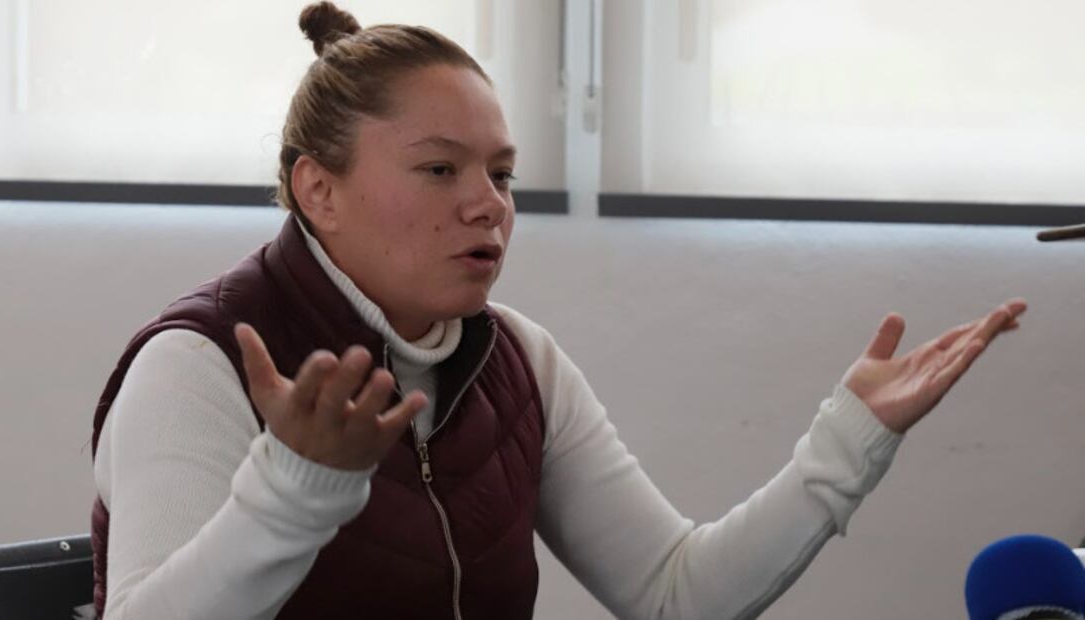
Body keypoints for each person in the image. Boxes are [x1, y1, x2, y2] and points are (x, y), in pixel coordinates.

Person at [88, 3, 1027, 619]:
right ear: (317, 190)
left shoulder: (517, 362)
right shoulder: (199, 363)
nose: (487, 204)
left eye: (502, 175)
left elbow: (675, 595)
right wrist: (294, 491)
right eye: (440, 169)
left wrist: (850, 440)